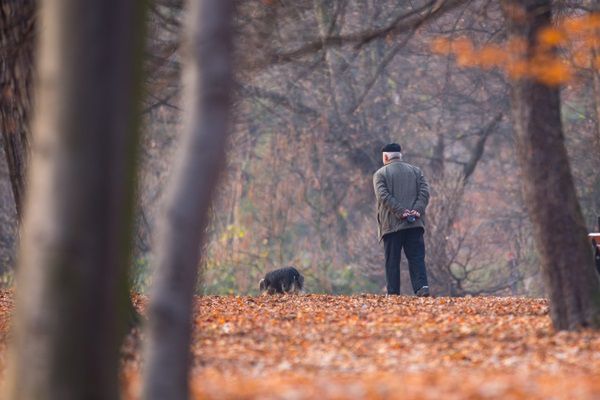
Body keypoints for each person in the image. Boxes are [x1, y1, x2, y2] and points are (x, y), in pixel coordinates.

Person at [373, 143, 430, 296]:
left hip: (392, 225)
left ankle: (393, 293)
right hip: (415, 224)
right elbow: (425, 192)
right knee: (416, 258)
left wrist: (400, 212)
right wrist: (416, 210)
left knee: (392, 261)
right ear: (400, 155)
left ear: (385, 157)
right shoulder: (416, 171)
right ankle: (421, 287)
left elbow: (383, 196)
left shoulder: (380, 174)